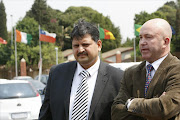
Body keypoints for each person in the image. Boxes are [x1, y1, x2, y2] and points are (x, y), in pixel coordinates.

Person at [39, 19, 123, 120]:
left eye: (85, 45)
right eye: (76, 45)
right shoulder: (57, 74)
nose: (80, 50)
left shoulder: (118, 78)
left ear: (99, 45)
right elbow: (46, 114)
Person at [111, 18, 180, 120]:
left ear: (165, 42)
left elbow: (165, 108)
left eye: (148, 37)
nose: (142, 42)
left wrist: (131, 103)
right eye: (140, 38)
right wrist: (153, 107)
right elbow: (116, 112)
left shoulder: (176, 69)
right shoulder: (130, 73)